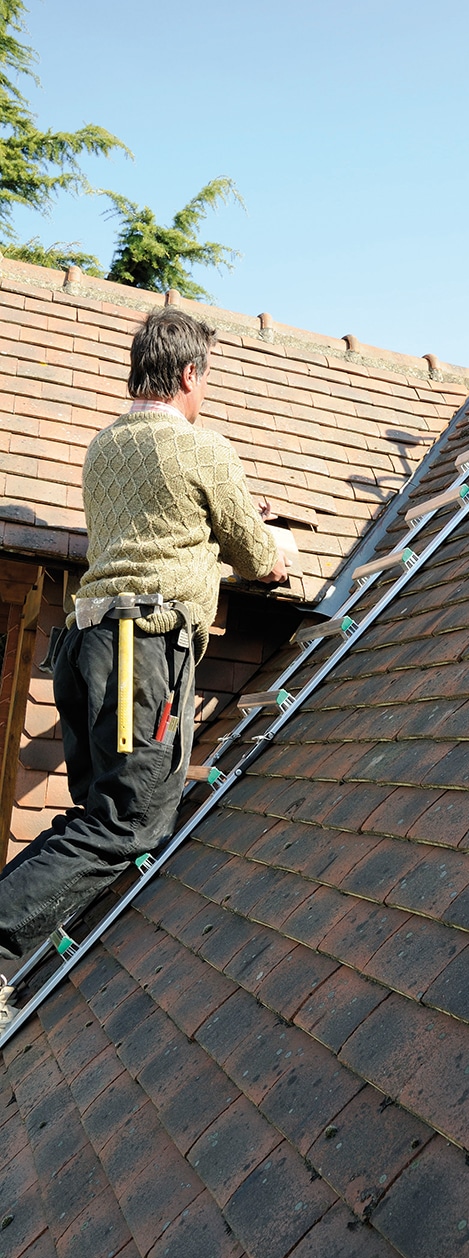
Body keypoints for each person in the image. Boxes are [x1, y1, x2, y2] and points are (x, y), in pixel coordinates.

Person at [0, 307, 292, 1025]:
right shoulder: (198, 448)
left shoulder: (103, 447)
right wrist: (281, 551)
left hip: (85, 651)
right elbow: (255, 553)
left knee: (97, 819)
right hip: (141, 650)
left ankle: (26, 966)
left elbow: (153, 528)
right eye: (206, 381)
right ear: (190, 374)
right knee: (127, 823)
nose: (205, 395)